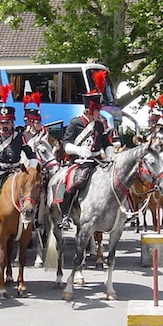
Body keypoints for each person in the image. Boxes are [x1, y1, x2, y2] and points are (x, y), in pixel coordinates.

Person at [57, 71, 115, 229]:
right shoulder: (75, 123)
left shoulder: (99, 124)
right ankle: (65, 215)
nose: (99, 113)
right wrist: (79, 150)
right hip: (79, 162)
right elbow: (66, 145)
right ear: (90, 111)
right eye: (97, 111)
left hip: (97, 161)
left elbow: (105, 142)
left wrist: (110, 154)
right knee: (74, 183)